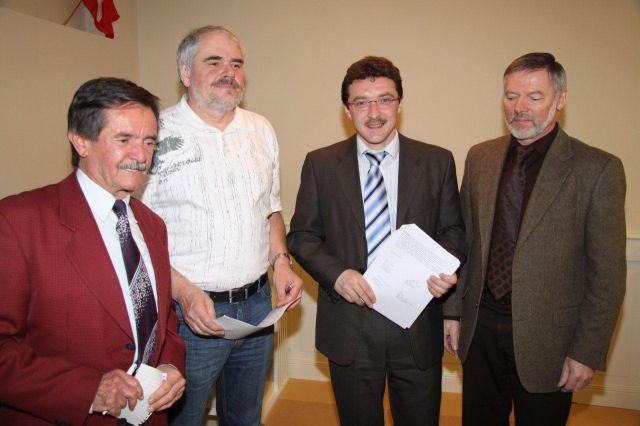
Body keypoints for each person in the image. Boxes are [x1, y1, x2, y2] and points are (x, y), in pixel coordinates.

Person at [287, 56, 466, 425]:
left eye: (384, 99)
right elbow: (302, 236)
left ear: (400, 103)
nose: (374, 113)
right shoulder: (321, 164)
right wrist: (338, 275)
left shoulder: (437, 161)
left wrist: (442, 271)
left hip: (417, 323)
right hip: (350, 325)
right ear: (347, 109)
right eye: (361, 102)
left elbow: (453, 231)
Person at [139, 25, 303, 426]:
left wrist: (281, 262)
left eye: (236, 63)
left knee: (245, 418)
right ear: (184, 72)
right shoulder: (154, 134)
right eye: (214, 62)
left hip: (258, 309)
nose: (229, 72)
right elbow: (134, 234)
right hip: (189, 314)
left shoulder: (261, 129)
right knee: (182, 418)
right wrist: (183, 292)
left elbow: (271, 211)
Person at [452, 52, 627, 425]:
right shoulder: (480, 157)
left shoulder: (598, 169)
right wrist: (452, 312)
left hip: (550, 341)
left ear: (560, 100)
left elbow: (608, 274)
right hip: (480, 330)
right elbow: (464, 244)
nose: (520, 108)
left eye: (534, 97)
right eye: (511, 96)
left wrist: (586, 351)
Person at [0, 77, 186, 425]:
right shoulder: (17, 222)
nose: (141, 156)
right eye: (124, 140)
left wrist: (171, 365)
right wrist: (87, 390)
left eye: (149, 142)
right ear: (80, 140)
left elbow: (165, 319)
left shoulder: (152, 225)